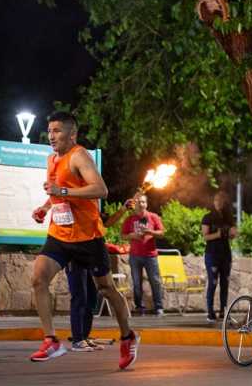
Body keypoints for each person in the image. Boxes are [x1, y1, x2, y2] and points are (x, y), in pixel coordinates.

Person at [28, 111, 139, 369]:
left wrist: (63, 191)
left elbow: (100, 190)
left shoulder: (80, 156)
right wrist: (46, 207)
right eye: (50, 131)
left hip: (88, 237)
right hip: (60, 234)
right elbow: (57, 192)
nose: (51, 136)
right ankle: (51, 340)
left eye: (57, 131)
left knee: (106, 289)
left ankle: (127, 336)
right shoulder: (52, 159)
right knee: (38, 278)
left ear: (72, 134)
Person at [67, 198, 135, 352]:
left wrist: (124, 208)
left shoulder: (93, 207)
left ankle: (84, 336)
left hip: (91, 254)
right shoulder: (72, 203)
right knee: (79, 296)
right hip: (74, 254)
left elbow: (107, 222)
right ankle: (77, 339)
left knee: (91, 297)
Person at [121, 194, 166, 316]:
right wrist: (132, 236)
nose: (141, 204)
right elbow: (123, 235)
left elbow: (162, 233)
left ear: (146, 204)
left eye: (143, 202)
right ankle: (139, 307)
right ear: (134, 205)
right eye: (139, 202)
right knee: (136, 283)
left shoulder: (153, 217)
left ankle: (159, 307)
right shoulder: (129, 219)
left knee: (155, 281)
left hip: (150, 255)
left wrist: (150, 232)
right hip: (135, 256)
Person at [201, 191, 237, 322]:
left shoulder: (228, 217)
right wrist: (218, 234)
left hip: (225, 254)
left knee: (225, 283)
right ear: (213, 201)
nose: (218, 202)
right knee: (213, 282)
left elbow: (234, 233)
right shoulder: (208, 217)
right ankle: (210, 312)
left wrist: (233, 233)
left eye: (221, 200)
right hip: (212, 254)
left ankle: (224, 311)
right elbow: (205, 237)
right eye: (216, 200)